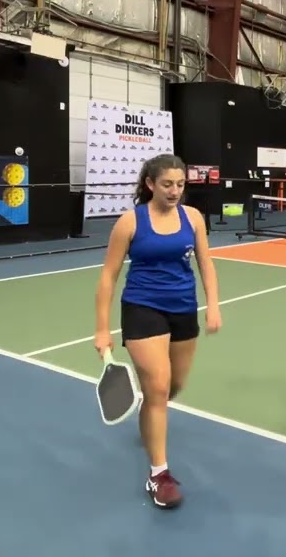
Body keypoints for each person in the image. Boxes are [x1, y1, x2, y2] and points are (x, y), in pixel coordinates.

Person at [94, 154, 222, 510]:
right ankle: (159, 475)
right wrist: (102, 329)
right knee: (160, 385)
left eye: (180, 184)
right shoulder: (130, 223)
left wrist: (212, 304)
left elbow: (206, 263)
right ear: (150, 184)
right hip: (141, 308)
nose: (175, 191)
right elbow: (108, 276)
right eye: (168, 184)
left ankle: (148, 406)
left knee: (172, 388)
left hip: (183, 308)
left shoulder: (193, 218)